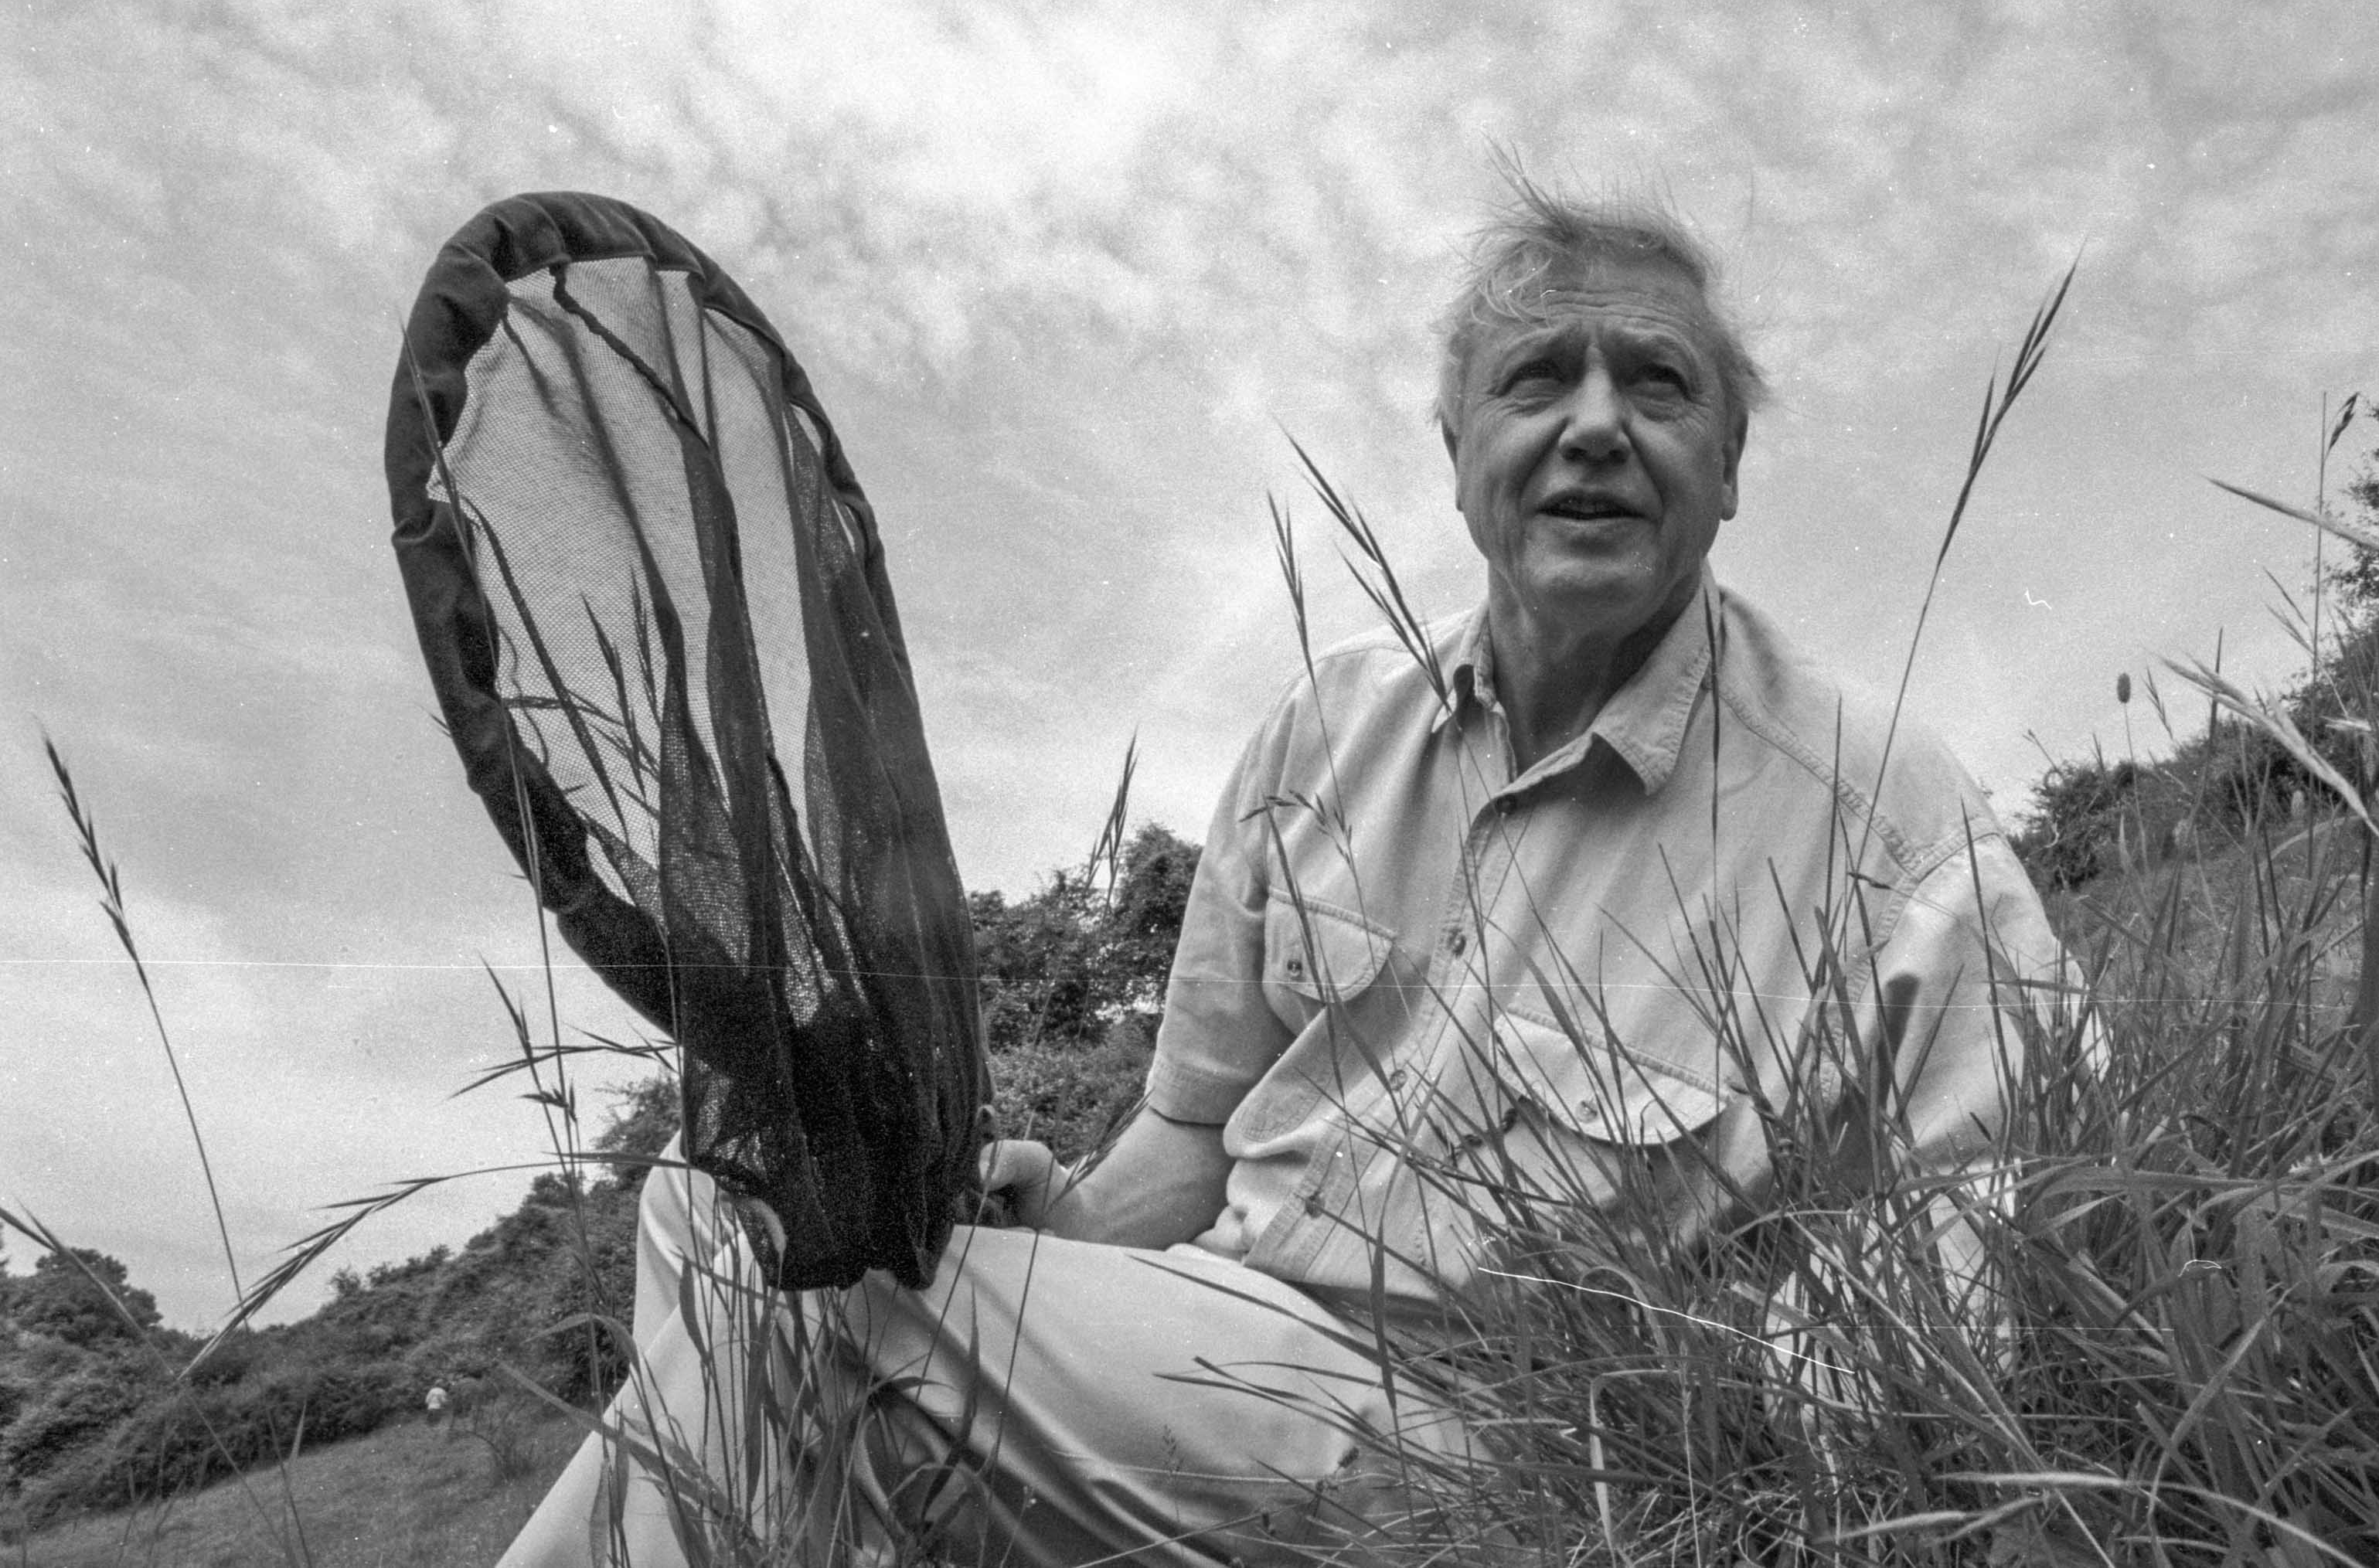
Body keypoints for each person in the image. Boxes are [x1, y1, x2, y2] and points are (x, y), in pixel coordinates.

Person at [499, 179, 2079, 1567]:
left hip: (1502, 1456)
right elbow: (1195, 1131)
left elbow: (2003, 1195)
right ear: (1460, 451)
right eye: (1539, 377)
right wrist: (1056, 1234)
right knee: (713, 1205)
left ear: (1727, 463)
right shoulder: (1327, 726)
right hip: (1217, 1348)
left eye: (1658, 383)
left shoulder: (1877, 811)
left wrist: (1767, 1455)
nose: (1597, 422)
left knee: (814, 1307)